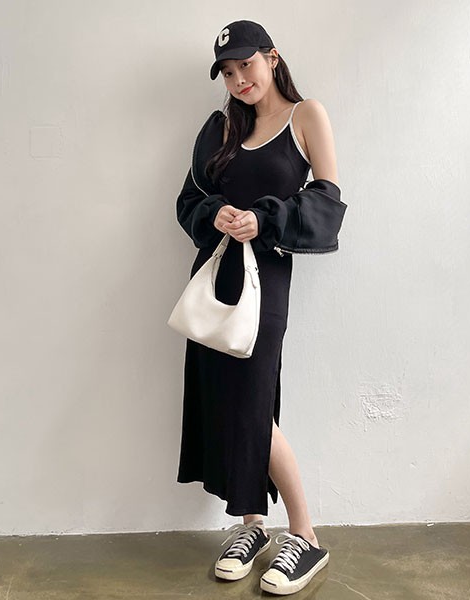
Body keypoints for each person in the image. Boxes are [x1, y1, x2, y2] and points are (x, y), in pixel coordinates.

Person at [174, 19, 340, 595]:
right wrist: (215, 213)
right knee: (226, 399)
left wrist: (264, 220)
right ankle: (251, 525)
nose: (237, 78)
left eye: (246, 64)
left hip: (265, 276)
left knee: (250, 402)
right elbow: (189, 199)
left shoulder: (305, 116)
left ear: (272, 58)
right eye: (227, 70)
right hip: (215, 273)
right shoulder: (221, 127)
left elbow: (327, 203)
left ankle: (306, 535)